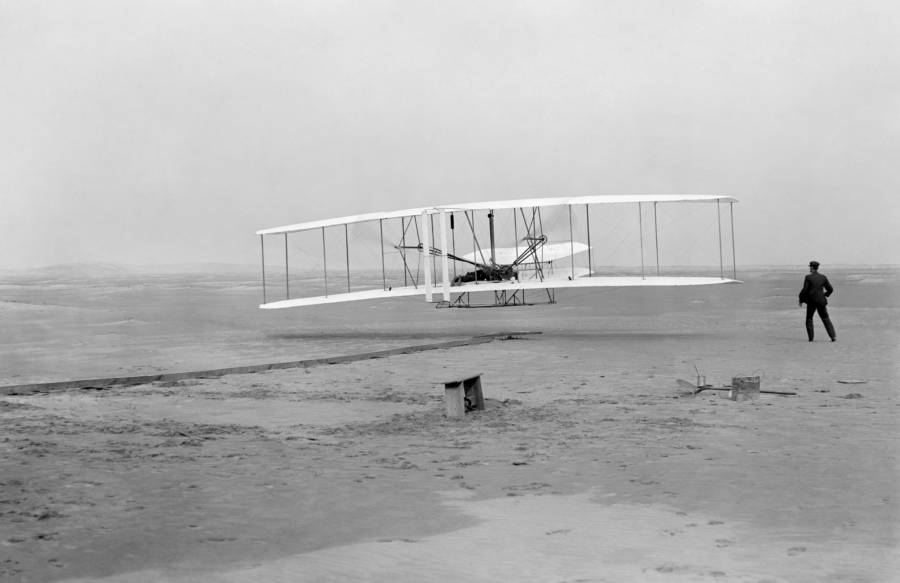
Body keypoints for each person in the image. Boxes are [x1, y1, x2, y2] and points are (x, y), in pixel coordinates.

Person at [798, 261, 836, 342]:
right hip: (821, 301)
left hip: (811, 301)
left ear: (812, 267)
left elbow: (804, 290)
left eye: (810, 267)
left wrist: (801, 299)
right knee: (825, 318)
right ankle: (833, 337)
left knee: (809, 318)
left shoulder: (808, 277)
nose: (809, 268)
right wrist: (825, 295)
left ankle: (811, 339)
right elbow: (831, 289)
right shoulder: (823, 277)